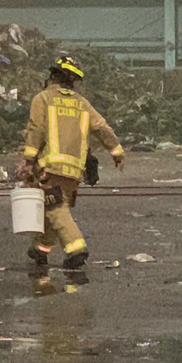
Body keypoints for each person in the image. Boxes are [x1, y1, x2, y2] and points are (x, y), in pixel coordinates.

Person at [18, 55, 124, 271]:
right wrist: (117, 152)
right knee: (54, 205)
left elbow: (35, 130)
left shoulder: (43, 98)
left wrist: (28, 160)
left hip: (50, 167)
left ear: (53, 76)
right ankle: (41, 247)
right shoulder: (82, 104)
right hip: (74, 169)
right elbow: (102, 128)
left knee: (56, 208)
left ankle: (76, 248)